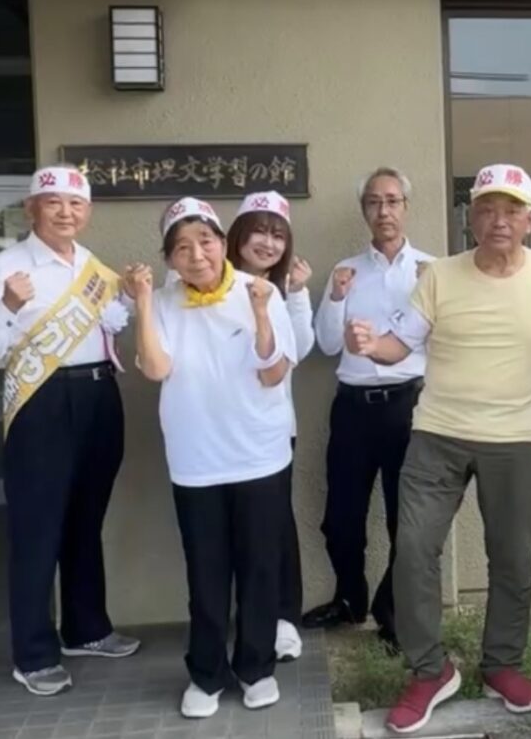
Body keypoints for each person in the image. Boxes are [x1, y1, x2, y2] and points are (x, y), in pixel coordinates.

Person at [345, 163, 531, 735]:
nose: (498, 220)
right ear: (469, 218)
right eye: (486, 209)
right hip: (438, 434)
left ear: (530, 220)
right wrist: (369, 344)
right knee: (413, 550)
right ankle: (430, 671)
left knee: (512, 556)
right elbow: (399, 343)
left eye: (511, 210)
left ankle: (502, 664)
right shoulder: (440, 276)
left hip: (515, 440)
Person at [0, 165, 139, 696]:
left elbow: (112, 324)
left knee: (86, 519)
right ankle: (33, 654)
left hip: (98, 396)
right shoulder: (8, 266)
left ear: (88, 212)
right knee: (37, 528)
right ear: (32, 208)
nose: (66, 212)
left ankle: (86, 629)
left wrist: (132, 298)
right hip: (41, 401)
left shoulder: (91, 266)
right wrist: (9, 306)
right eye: (53, 202)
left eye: (75, 203)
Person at [127, 196, 298, 718]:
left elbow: (273, 372)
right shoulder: (162, 301)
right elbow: (155, 368)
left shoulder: (260, 291)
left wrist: (262, 313)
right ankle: (205, 674)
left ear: (224, 243)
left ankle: (256, 668)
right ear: (169, 258)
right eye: (181, 247)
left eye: (205, 241)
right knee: (206, 572)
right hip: (196, 459)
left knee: (260, 568)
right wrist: (141, 302)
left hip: (259, 454)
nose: (196, 254)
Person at [307, 167, 433, 649]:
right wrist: (337, 297)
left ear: (406, 207)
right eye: (374, 202)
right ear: (364, 210)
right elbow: (326, 343)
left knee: (408, 517)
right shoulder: (346, 270)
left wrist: (430, 292)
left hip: (410, 404)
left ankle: (394, 612)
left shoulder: (432, 270)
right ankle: (349, 600)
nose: (384, 211)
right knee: (341, 516)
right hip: (353, 407)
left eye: (392, 201)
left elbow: (448, 342)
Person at [226, 190, 314, 662]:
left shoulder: (280, 291)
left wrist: (297, 293)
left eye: (278, 235)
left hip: (273, 428)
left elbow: (298, 349)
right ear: (238, 235)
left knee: (275, 525)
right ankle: (244, 618)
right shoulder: (210, 286)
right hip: (219, 431)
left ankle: (282, 619)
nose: (268, 243)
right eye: (259, 231)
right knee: (227, 531)